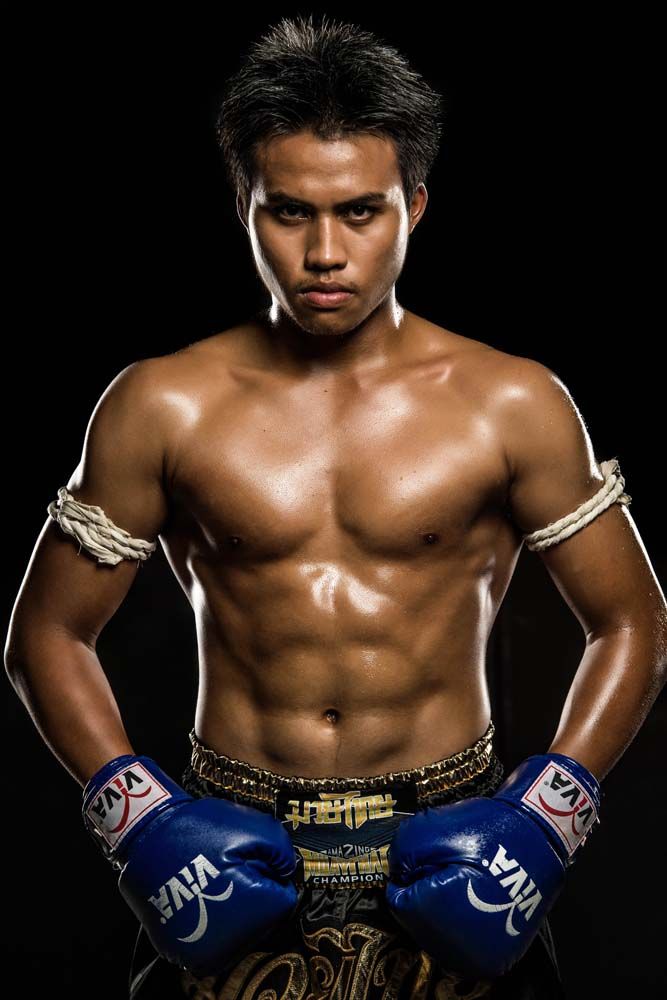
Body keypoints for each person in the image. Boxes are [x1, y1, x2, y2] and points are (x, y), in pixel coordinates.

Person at [5, 13, 666, 1000]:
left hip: (458, 837)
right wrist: (139, 818)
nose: (324, 252)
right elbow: (48, 633)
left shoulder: (510, 402)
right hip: (228, 838)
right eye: (289, 212)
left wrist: (545, 815)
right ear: (242, 205)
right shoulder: (162, 404)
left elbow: (630, 619)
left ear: (415, 207)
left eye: (360, 212)